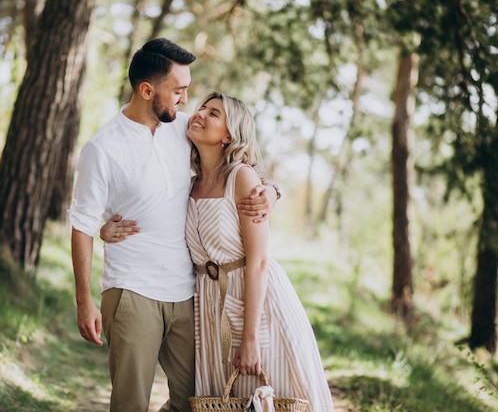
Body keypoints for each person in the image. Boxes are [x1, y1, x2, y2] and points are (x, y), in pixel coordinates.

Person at [69, 39, 277, 412]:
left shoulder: (185, 130)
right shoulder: (102, 149)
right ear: (147, 90)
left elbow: (238, 162)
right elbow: (81, 225)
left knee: (193, 402)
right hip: (132, 290)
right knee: (130, 403)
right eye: (178, 90)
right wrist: (84, 300)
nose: (185, 100)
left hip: (187, 294)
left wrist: (273, 192)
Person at [185, 91, 334, 412]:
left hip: (254, 301)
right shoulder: (189, 183)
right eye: (202, 108)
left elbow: (258, 260)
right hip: (209, 307)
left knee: (272, 395)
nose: (200, 114)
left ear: (229, 134)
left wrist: (250, 337)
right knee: (225, 400)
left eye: (214, 114)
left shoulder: (241, 177)